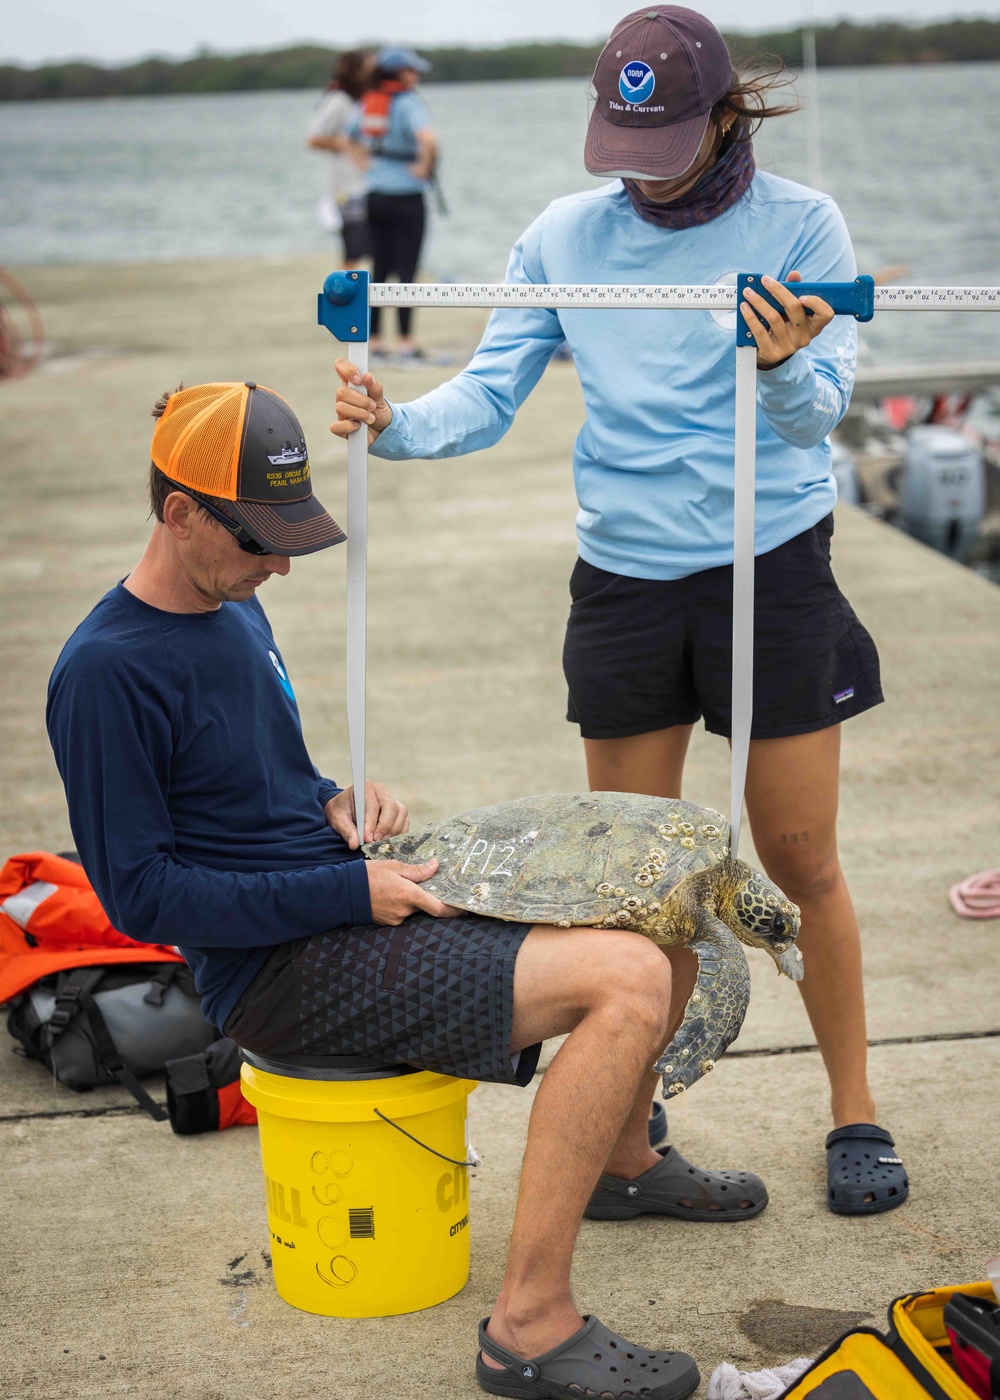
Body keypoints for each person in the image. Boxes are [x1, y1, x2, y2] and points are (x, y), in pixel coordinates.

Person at [46, 379, 766, 1400]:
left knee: (664, 905)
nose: (281, 561)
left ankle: (621, 1161)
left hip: (337, 893)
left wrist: (335, 801)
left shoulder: (229, 604)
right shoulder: (106, 673)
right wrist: (349, 893)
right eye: (259, 538)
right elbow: (143, 898)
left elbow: (252, 789)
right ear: (178, 512)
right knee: (628, 980)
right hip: (275, 971)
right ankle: (527, 1325)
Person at [332, 4, 909, 1219]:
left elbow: (818, 417)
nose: (637, 175)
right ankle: (628, 1136)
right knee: (633, 881)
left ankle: (855, 1110)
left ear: (720, 117)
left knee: (800, 859)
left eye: (663, 142)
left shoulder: (802, 223)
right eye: (620, 141)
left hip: (770, 563)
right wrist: (395, 421)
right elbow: (488, 395)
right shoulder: (563, 234)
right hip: (627, 583)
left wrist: (783, 360)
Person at [355, 46, 438, 359]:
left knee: (378, 268)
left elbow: (349, 137)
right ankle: (405, 342)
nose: (416, 76)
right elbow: (429, 140)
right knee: (407, 271)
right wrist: (423, 168)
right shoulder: (408, 102)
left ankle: (375, 342)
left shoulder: (370, 100)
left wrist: (365, 164)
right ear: (400, 73)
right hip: (407, 198)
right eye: (412, 70)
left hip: (375, 196)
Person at [307, 50, 373, 270]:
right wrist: (347, 145)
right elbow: (313, 138)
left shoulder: (359, 98)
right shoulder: (339, 100)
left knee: (366, 247)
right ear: (356, 70)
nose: (375, 71)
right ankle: (346, 300)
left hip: (364, 184)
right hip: (347, 187)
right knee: (353, 249)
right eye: (369, 67)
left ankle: (365, 299)